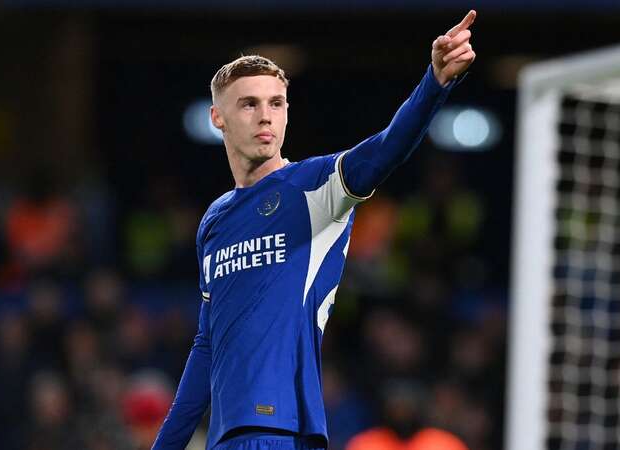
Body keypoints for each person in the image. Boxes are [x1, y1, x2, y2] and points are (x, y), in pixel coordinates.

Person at [152, 10, 477, 450]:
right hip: (226, 437)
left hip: (283, 430)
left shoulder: (315, 188)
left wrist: (434, 83)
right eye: (249, 104)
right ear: (218, 118)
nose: (265, 116)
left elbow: (386, 150)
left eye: (276, 103)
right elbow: (206, 345)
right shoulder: (214, 221)